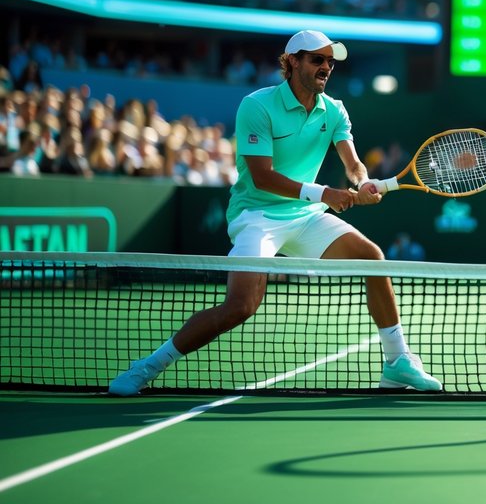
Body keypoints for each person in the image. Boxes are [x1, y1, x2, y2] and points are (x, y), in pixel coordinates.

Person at [109, 30, 441, 395]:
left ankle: (397, 363)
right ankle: (147, 366)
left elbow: (353, 163)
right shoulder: (256, 105)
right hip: (257, 215)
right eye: (317, 59)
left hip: (305, 216)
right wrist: (324, 193)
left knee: (372, 258)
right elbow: (262, 176)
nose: (326, 67)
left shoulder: (335, 110)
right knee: (240, 307)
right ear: (292, 61)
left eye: (330, 61)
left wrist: (361, 182)